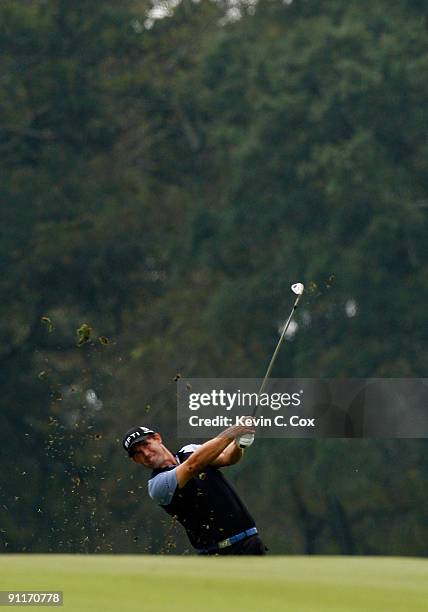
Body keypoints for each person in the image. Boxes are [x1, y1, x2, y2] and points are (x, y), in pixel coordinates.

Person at [122, 420, 267, 555]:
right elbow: (193, 466)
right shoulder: (157, 485)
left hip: (251, 543)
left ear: (157, 438)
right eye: (137, 453)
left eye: (146, 445)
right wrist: (233, 432)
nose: (146, 454)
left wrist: (239, 444)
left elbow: (228, 457)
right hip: (218, 554)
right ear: (135, 460)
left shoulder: (189, 451)